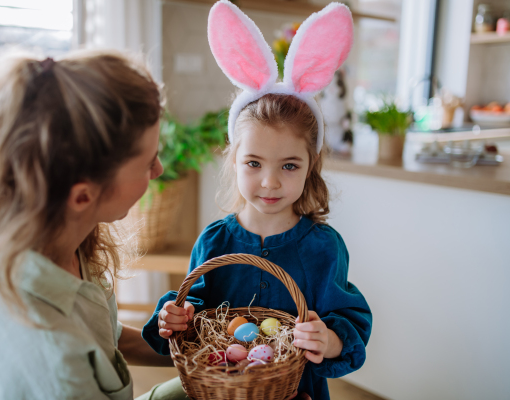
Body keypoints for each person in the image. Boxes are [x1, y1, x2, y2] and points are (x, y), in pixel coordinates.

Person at [141, 2, 372, 400]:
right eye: (253, 163)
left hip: (297, 391)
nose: (269, 182)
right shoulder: (215, 242)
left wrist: (329, 340)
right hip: (220, 390)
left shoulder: (323, 248)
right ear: (233, 160)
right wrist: (173, 318)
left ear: (309, 167)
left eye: (289, 165)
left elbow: (348, 320)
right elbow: (194, 309)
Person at [0, 49, 188, 400]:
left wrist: (205, 355)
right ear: (82, 195)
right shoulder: (53, 362)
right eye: (147, 162)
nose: (158, 171)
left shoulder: (59, 240)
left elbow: (105, 339)